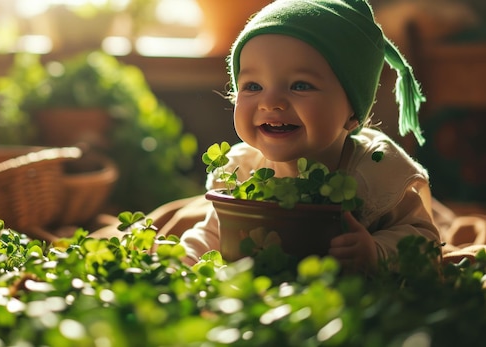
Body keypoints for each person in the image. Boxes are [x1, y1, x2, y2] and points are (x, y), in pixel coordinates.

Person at [179, 0, 441, 273]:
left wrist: (377, 251)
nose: (271, 102)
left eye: (300, 85)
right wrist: (186, 257)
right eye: (253, 86)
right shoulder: (241, 170)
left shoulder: (378, 170)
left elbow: (426, 241)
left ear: (353, 111)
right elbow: (213, 232)